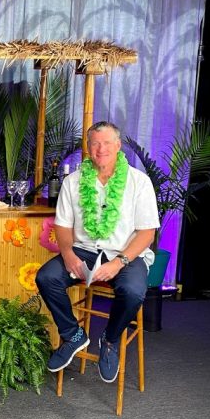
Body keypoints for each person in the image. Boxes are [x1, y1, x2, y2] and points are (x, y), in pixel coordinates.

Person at [35, 121, 159, 383]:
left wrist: (119, 262)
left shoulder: (139, 182)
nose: (100, 148)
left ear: (118, 146)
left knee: (134, 291)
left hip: (127, 253)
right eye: (95, 143)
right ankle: (73, 335)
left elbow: (147, 233)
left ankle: (110, 340)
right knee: (46, 277)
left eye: (106, 143)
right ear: (88, 148)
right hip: (84, 250)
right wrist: (68, 253)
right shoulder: (73, 182)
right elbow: (63, 225)